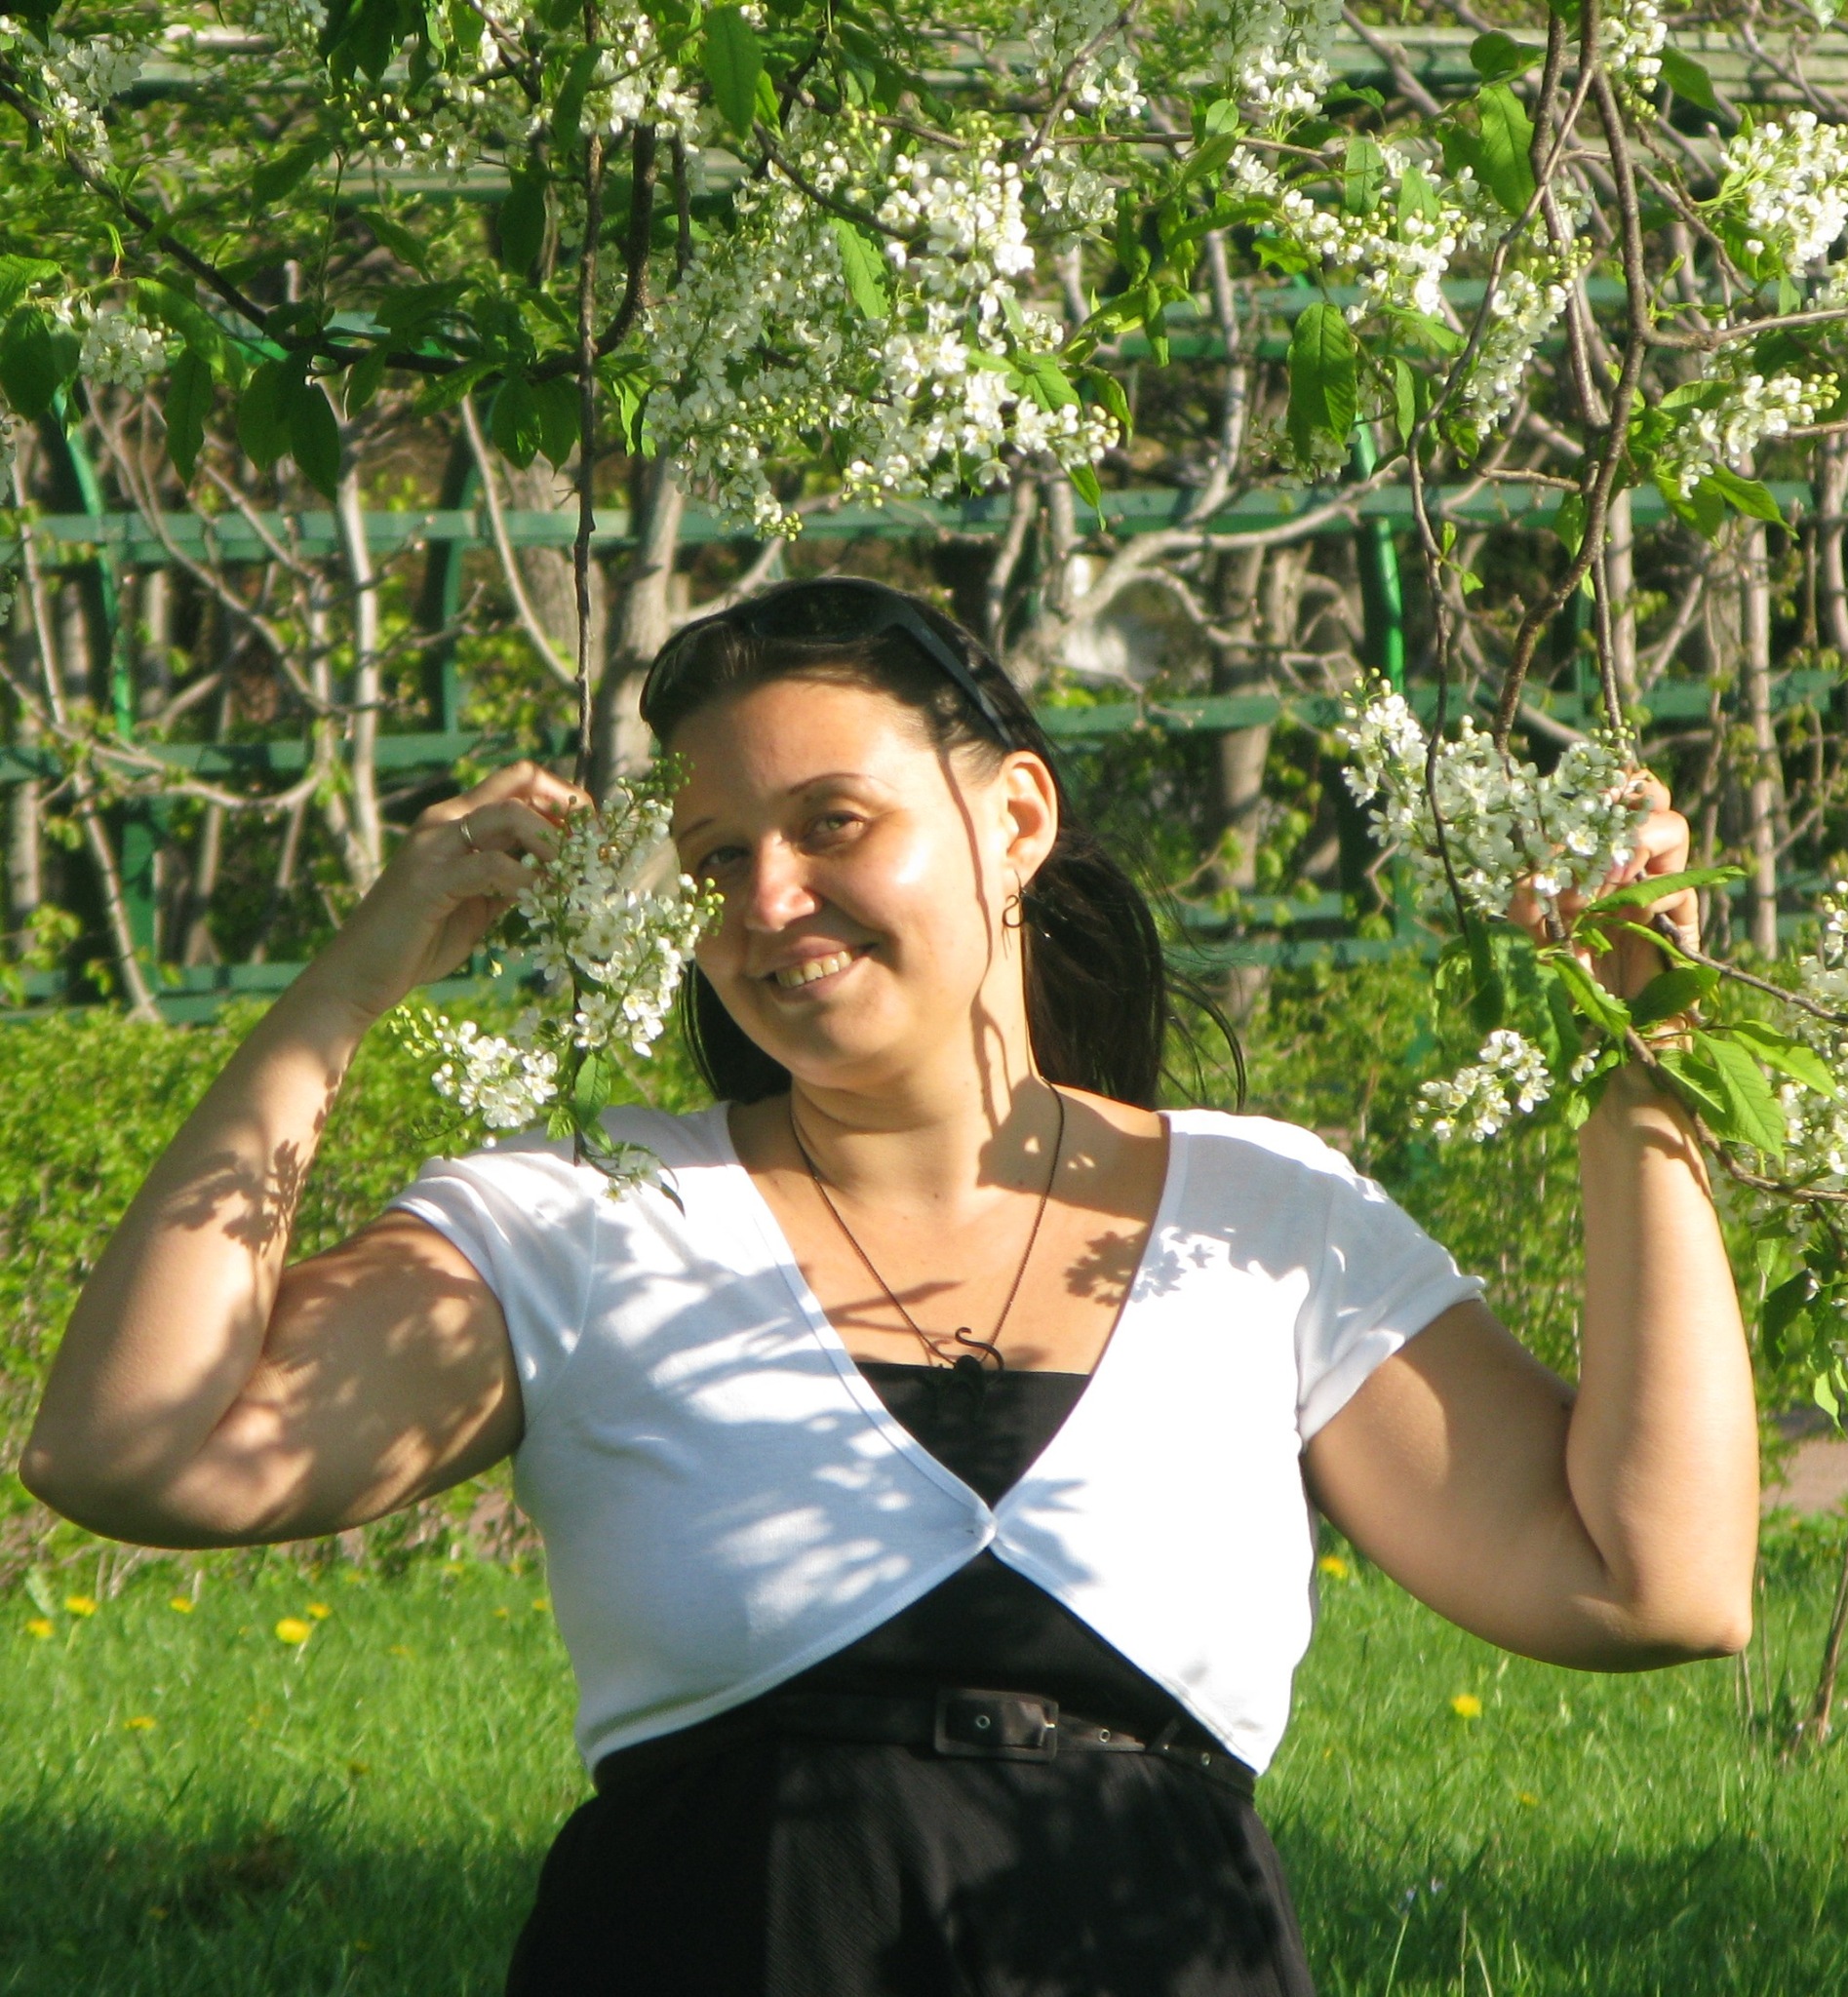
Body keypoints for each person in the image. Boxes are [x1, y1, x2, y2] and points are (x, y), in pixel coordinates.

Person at [20, 576, 1758, 1996]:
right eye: (716, 858)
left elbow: (1653, 1582)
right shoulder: (585, 1219)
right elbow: (133, 1451)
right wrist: (349, 986)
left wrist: (1643, 1059)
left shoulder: (1266, 1220)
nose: (768, 899)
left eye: (830, 823)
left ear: (1014, 818)